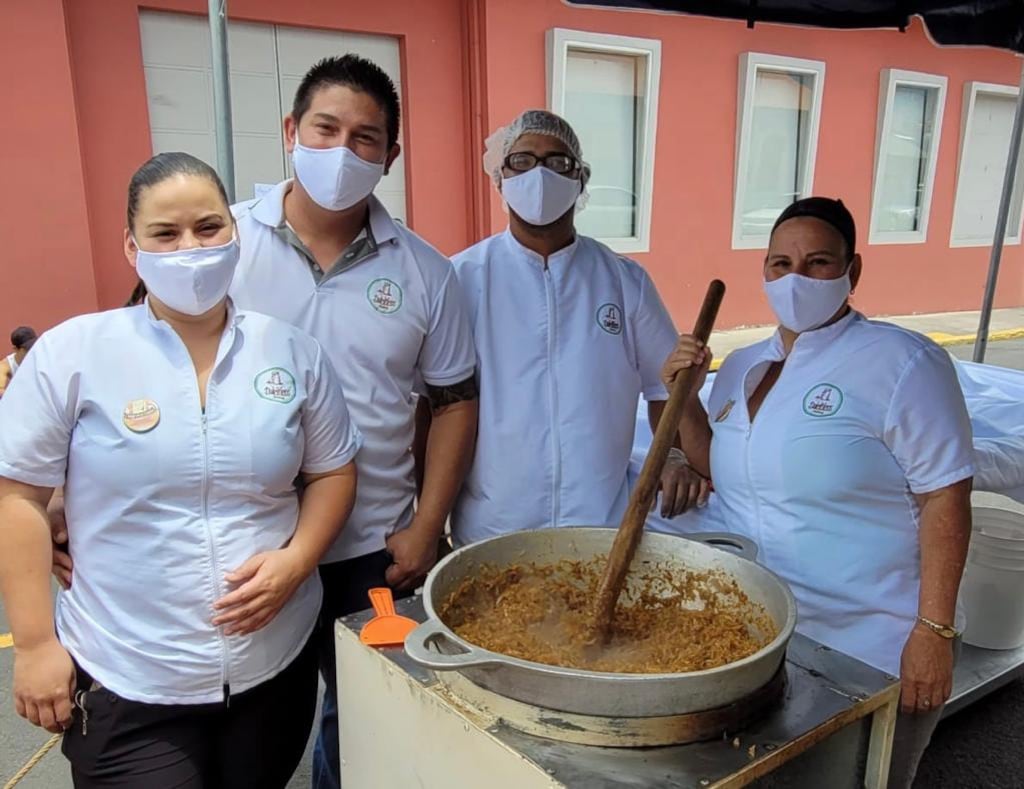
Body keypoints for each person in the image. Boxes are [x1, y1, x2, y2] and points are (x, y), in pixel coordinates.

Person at [4, 152, 361, 789]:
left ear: (236, 232)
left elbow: (333, 471)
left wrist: (298, 559)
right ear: (130, 246)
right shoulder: (75, 353)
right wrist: (33, 644)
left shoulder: (292, 352)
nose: (189, 248)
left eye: (208, 227)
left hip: (270, 667)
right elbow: (18, 497)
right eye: (165, 234)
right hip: (129, 672)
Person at [662, 197, 973, 788]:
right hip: (764, 629)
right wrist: (686, 396)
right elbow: (723, 464)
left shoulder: (902, 363)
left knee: (863, 779)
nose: (796, 278)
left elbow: (945, 498)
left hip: (870, 639)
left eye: (818, 262)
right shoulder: (744, 365)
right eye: (781, 264)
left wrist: (933, 634)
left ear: (853, 272)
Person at [227, 55, 478, 788]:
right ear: (290, 132)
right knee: (255, 733)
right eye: (325, 128)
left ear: (390, 156)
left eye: (366, 138)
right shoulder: (225, 245)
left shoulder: (427, 272)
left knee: (371, 727)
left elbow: (455, 402)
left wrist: (426, 525)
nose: (342, 151)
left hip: (375, 550)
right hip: (252, 553)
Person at [445, 110, 708, 547]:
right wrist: (432, 519)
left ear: (580, 179)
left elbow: (667, 387)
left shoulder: (624, 282)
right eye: (523, 161)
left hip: (600, 528)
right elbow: (435, 406)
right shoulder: (462, 278)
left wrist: (671, 456)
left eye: (558, 162)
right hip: (492, 530)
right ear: (500, 179)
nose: (541, 175)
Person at [0, 325, 36, 397]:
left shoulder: (41, 356)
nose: (31, 351)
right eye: (26, 349)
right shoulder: (5, 366)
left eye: (33, 346)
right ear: (16, 349)